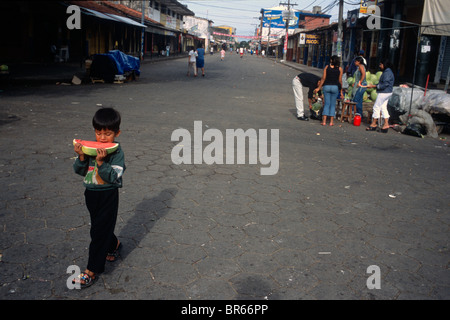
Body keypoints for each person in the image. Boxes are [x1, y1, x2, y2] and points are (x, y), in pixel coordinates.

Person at [72, 107, 125, 288]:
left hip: (108, 195)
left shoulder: (117, 153)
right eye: (98, 133)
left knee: (97, 231)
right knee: (100, 227)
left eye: (108, 134)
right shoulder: (89, 150)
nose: (102, 138)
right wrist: (80, 156)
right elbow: (80, 171)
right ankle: (114, 244)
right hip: (91, 194)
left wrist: (101, 163)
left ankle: (91, 270)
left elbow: (114, 176)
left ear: (117, 133)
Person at [365, 60, 395, 133]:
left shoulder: (387, 73)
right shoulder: (388, 72)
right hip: (388, 92)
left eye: (381, 64)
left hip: (384, 92)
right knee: (383, 107)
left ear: (384, 65)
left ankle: (374, 123)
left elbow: (385, 84)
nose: (380, 66)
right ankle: (386, 124)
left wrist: (374, 86)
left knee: (376, 107)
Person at [314, 55, 343, 126]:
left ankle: (324, 121)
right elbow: (340, 81)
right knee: (333, 105)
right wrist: (341, 91)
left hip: (326, 87)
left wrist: (319, 87)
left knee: (326, 104)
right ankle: (331, 122)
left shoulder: (327, 67)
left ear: (331, 60)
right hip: (335, 87)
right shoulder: (340, 69)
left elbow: (323, 78)